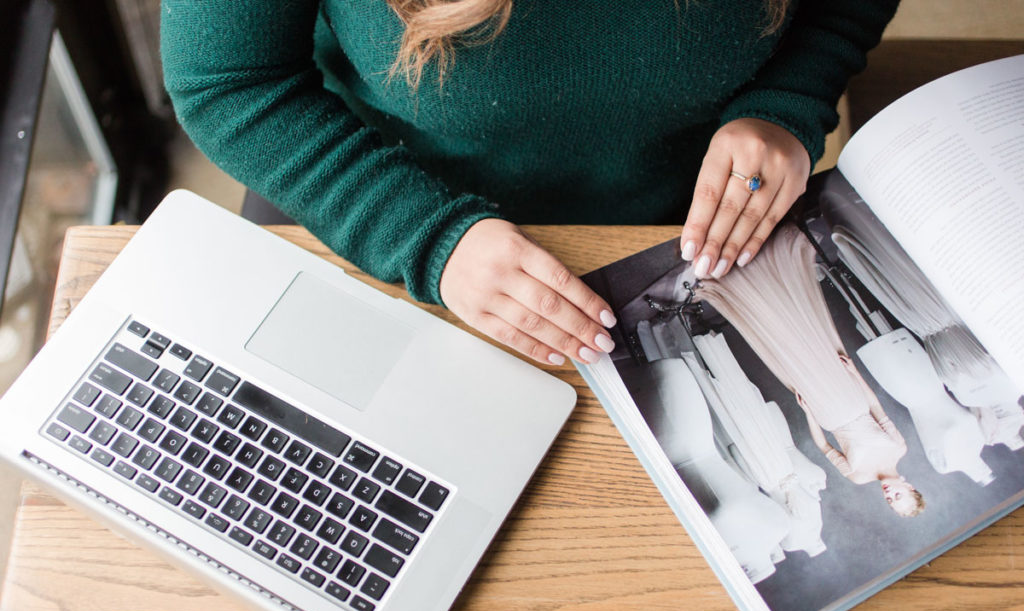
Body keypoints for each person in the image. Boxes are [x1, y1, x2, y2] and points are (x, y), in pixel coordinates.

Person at [160, 0, 899, 366]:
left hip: (677, 229)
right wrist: (426, 240)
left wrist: (788, 103)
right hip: (367, 195)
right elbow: (228, 79)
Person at [695, 224, 925, 517]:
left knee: (787, 350)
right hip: (849, 394)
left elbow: (824, 447)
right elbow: (876, 407)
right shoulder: (898, 447)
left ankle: (744, 281)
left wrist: (808, 413)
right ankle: (768, 266)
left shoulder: (859, 477)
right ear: (909, 486)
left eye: (891, 502)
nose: (890, 496)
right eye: (899, 496)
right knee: (809, 335)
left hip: (825, 412)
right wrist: (855, 373)